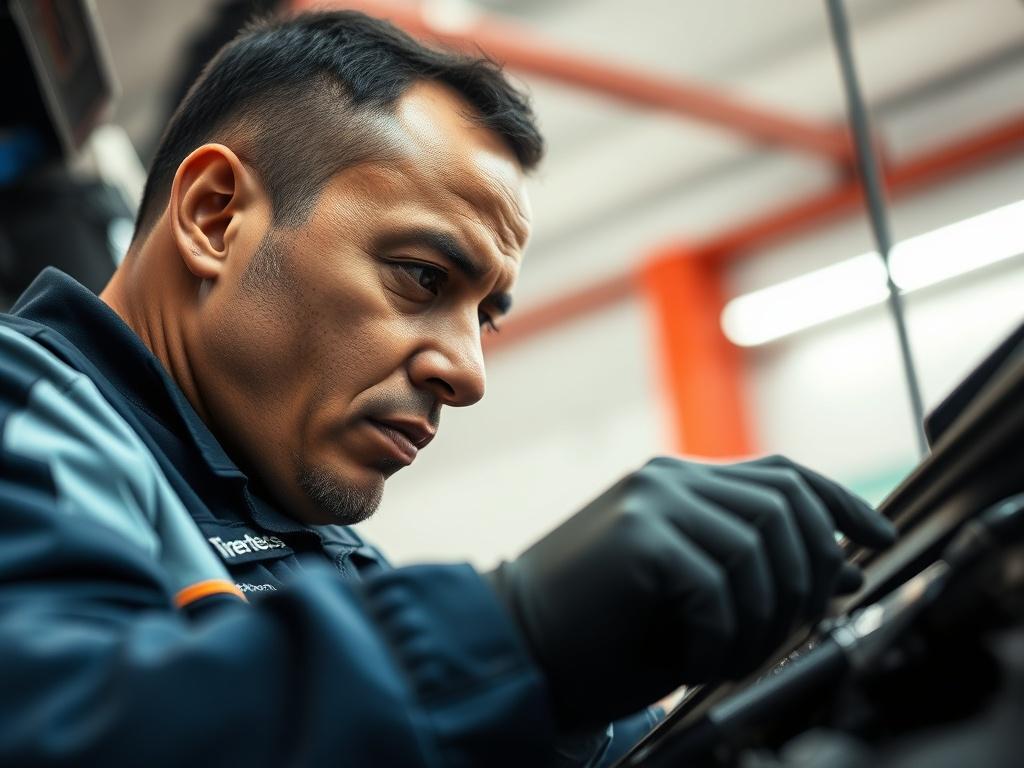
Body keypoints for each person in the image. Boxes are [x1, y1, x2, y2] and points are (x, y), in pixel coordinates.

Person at [0, 10, 896, 767]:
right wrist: (521, 634)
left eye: (486, 316)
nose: (466, 374)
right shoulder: (22, 403)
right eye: (422, 278)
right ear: (213, 217)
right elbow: (65, 724)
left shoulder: (321, 550)